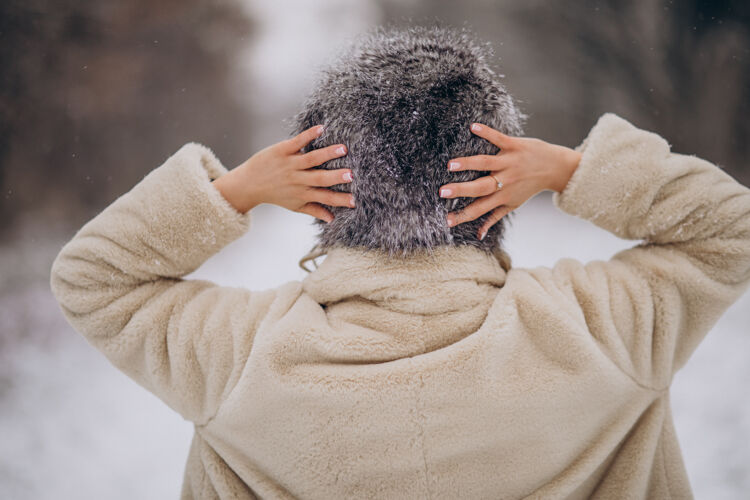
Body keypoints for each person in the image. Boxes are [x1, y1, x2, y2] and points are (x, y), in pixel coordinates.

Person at [49, 25, 750, 500]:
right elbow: (729, 228)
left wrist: (232, 190)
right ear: (502, 184)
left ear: (317, 195)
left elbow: (91, 277)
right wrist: (573, 170)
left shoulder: (238, 360)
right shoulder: (606, 333)